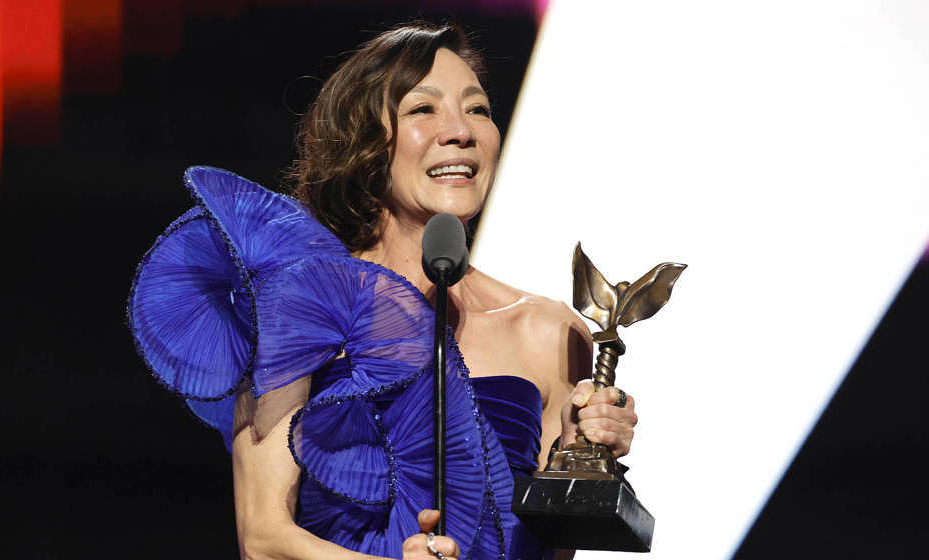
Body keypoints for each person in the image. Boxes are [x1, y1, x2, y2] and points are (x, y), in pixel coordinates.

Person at [128, 21, 637, 560]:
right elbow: (264, 539)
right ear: (365, 142)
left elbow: (552, 552)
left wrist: (574, 458)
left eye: (477, 109)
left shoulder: (549, 331)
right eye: (423, 109)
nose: (460, 131)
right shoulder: (301, 307)